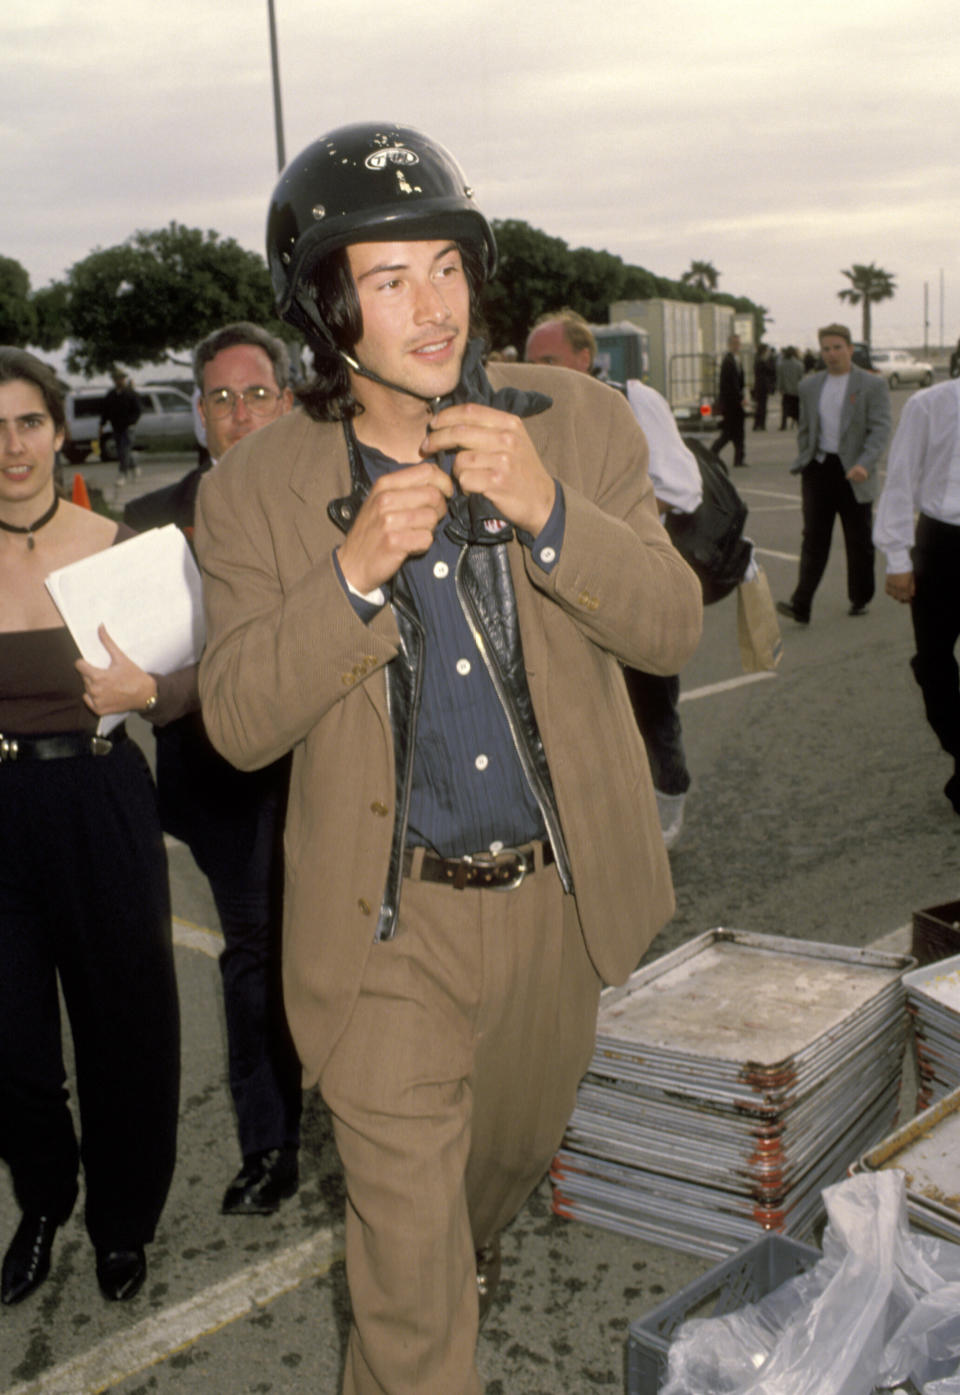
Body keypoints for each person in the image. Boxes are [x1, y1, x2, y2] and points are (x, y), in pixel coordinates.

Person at [194, 122, 702, 1394]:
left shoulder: (578, 424)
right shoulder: (256, 490)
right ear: (325, 311)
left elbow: (669, 623)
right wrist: (352, 576)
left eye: (444, 267)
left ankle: (428, 1273)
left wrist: (551, 513)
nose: (430, 307)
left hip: (557, 915)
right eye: (384, 279)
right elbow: (241, 717)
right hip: (385, 936)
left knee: (482, 1193)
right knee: (415, 1307)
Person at [0, 348, 180, 1305]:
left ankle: (121, 1220)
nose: (11, 445)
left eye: (26, 421)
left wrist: (148, 688)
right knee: (11, 1044)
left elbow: (188, 685)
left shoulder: (119, 542)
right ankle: (43, 1196)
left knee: (125, 1031)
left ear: (57, 428)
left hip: (101, 799)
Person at [123, 323, 303, 1216]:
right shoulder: (152, 524)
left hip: (335, 763)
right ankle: (270, 1139)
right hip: (227, 776)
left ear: (289, 400)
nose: (241, 414)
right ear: (199, 416)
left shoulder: (336, 501)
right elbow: (153, 679)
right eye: (222, 399)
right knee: (255, 952)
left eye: (257, 393)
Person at [525, 308, 702, 849]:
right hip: (562, 584)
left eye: (549, 361)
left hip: (630, 579)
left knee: (652, 706)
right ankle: (604, 822)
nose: (537, 372)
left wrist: (612, 516)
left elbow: (683, 485)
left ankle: (669, 800)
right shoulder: (529, 410)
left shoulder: (631, 401)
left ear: (585, 358)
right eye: (530, 362)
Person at [874, 377, 960, 814]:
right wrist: (897, 557)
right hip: (942, 546)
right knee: (933, 662)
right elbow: (902, 477)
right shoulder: (930, 404)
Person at [776, 322, 891, 625]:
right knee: (813, 538)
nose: (831, 354)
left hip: (854, 471)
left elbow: (880, 430)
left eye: (837, 347)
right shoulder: (810, 386)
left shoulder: (872, 385)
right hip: (818, 469)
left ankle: (860, 596)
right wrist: (805, 456)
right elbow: (805, 428)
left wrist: (865, 463)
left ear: (850, 349)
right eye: (825, 349)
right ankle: (801, 603)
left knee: (858, 540)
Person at [99, 369, 142, 484]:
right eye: (116, 379)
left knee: (125, 449)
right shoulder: (111, 395)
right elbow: (105, 411)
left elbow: (138, 411)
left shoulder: (131, 394)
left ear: (124, 379)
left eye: (120, 378)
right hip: (116, 427)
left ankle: (122, 474)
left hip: (128, 427)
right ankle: (135, 465)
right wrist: (101, 425)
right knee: (121, 450)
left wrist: (132, 422)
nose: (118, 381)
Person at [711, 332, 747, 467]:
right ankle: (713, 452)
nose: (737, 346)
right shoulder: (728, 361)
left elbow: (739, 382)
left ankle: (739, 459)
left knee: (738, 433)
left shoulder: (736, 360)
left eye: (738, 343)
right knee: (729, 433)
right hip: (731, 404)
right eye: (734, 343)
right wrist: (740, 398)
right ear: (729, 345)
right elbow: (730, 384)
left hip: (735, 403)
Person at [777, 345, 803, 429]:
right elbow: (801, 378)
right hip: (796, 390)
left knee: (785, 408)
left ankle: (783, 425)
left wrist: (780, 388)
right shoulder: (799, 364)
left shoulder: (781, 365)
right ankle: (799, 424)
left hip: (786, 390)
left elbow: (780, 378)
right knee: (796, 408)